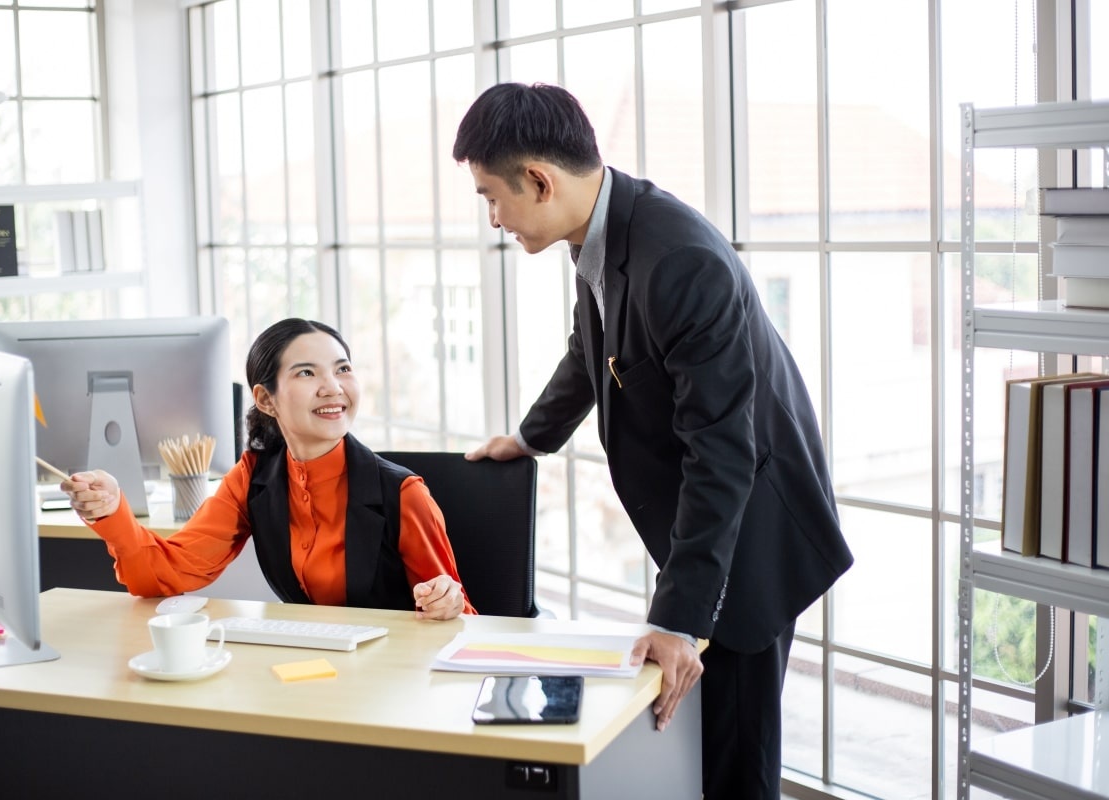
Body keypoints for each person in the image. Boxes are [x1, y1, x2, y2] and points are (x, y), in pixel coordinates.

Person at [454, 82, 853, 797]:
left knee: (736, 761)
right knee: (701, 749)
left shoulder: (680, 261)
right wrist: (529, 438)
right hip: (703, 520)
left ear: (540, 181)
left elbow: (724, 453)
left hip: (751, 535)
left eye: (492, 196)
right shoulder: (604, 228)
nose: (493, 218)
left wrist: (678, 618)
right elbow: (591, 351)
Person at [61, 318, 473, 620]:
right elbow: (165, 573)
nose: (333, 386)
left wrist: (447, 602)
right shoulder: (254, 476)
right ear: (266, 399)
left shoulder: (404, 495)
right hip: (311, 670)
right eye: (307, 372)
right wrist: (112, 509)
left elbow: (464, 619)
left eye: (342, 368)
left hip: (393, 682)